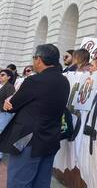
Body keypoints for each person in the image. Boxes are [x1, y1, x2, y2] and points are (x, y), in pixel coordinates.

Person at [0, 44, 70, 187]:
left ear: (39, 59)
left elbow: (12, 105)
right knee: (41, 182)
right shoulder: (64, 81)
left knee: (18, 182)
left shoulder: (34, 80)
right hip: (50, 138)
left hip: (28, 139)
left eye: (33, 58)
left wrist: (9, 102)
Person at [0, 69, 15, 160]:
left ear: (9, 77)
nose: (0, 76)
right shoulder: (1, 86)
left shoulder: (10, 87)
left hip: (4, 114)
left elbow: (10, 100)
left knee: (1, 133)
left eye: (2, 75)